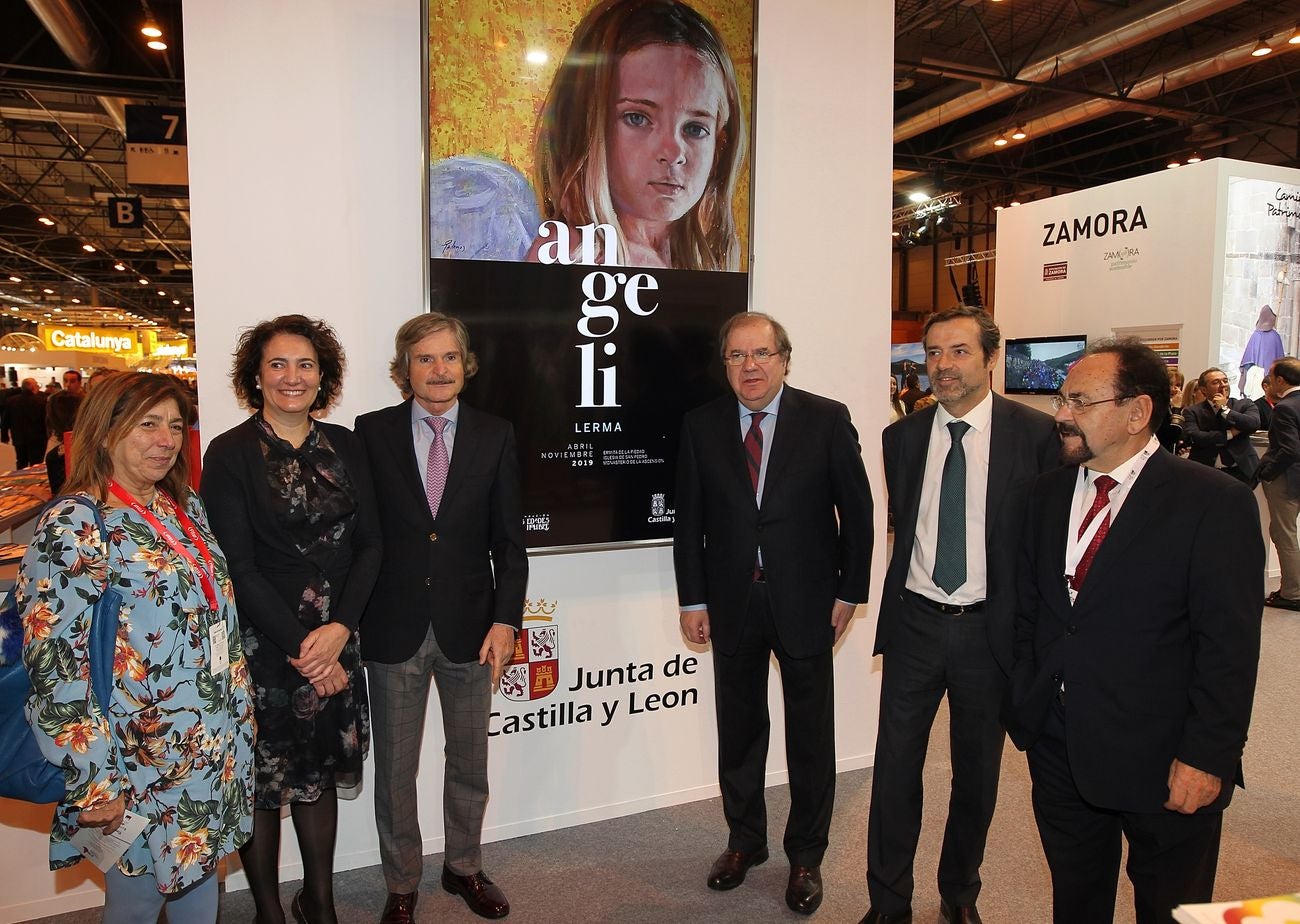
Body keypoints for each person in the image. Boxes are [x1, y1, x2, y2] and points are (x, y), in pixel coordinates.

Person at [1010, 339, 1263, 924]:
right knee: (1075, 900)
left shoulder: (1212, 501)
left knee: (1171, 908)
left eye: (1079, 401)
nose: (1061, 414)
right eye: (1062, 399)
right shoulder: (1044, 494)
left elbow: (1229, 648)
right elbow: (1032, 609)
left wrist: (1208, 756)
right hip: (1059, 745)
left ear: (1136, 412)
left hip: (1165, 758)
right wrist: (1028, 701)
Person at [17, 372, 255, 923]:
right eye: (147, 424)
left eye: (175, 425)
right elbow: (56, 669)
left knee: (198, 878)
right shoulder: (76, 524)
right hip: (136, 758)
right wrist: (95, 778)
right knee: (139, 898)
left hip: (207, 745)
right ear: (104, 431)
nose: (166, 439)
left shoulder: (180, 507)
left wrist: (238, 717)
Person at [862, 306, 1059, 924]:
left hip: (989, 631)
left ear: (990, 357)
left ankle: (959, 894)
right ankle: (888, 902)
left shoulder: (1037, 436)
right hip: (916, 623)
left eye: (958, 351)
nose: (942, 366)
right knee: (894, 771)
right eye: (933, 353)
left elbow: (1047, 545)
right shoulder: (902, 437)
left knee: (976, 776)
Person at [673, 311, 873, 916]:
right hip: (732, 601)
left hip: (809, 602)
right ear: (725, 364)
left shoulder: (826, 418)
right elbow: (689, 524)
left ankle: (806, 855)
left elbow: (859, 516)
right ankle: (745, 842)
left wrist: (849, 593)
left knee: (810, 735)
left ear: (785, 359)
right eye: (737, 356)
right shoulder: (700, 425)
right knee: (739, 731)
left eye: (761, 354)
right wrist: (693, 599)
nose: (750, 367)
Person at [201, 316, 381, 924]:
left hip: (338, 635)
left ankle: (321, 902)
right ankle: (270, 912)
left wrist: (339, 631)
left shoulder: (349, 445)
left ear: (322, 374)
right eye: (277, 364)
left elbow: (371, 546)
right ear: (256, 375)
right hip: (266, 642)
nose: (292, 377)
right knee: (265, 778)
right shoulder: (227, 453)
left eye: (305, 364)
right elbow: (239, 567)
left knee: (318, 770)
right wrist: (306, 647)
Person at [355, 312, 528, 923]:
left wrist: (507, 620)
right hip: (393, 627)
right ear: (404, 370)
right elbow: (363, 537)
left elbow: (510, 544)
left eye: (448, 357)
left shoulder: (495, 433)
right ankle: (402, 882)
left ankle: (464, 868)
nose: (438, 370)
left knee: (470, 762)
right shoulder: (369, 433)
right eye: (424, 359)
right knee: (396, 773)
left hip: (473, 629)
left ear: (465, 364)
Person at [527, 0, 746, 270]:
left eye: (694, 128)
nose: (673, 153)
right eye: (638, 118)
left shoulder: (706, 259)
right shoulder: (567, 253)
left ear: (720, 145)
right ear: (589, 129)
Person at [1255, 356, 1300, 611]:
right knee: (1285, 534)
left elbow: (1289, 450)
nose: (1268, 383)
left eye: (1271, 378)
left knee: (1284, 535)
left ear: (1281, 380)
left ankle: (1292, 593)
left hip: (1286, 479)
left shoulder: (1284, 407)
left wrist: (1268, 473)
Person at [1182, 367, 1260, 483]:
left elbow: (1253, 424)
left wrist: (1225, 410)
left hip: (1241, 471)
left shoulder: (1244, 404)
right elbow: (1196, 436)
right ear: (1204, 389)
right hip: (1205, 471)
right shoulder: (1192, 411)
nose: (1223, 385)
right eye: (1216, 382)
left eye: (1225, 380)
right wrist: (1230, 434)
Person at [44, 369, 86, 493]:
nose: (68, 384)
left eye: (72, 381)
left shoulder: (57, 456)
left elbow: (62, 499)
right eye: (66, 381)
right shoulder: (98, 442)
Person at [5, 377, 47, 468]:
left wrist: (4, 436)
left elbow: (6, 420)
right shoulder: (41, 401)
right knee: (36, 463)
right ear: (33, 388)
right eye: (36, 385)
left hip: (19, 437)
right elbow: (45, 420)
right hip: (38, 438)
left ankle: (21, 478)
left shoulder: (11, 401)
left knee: (21, 461)